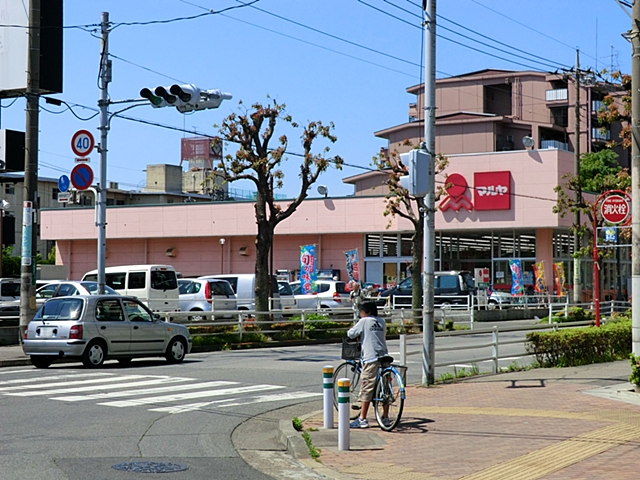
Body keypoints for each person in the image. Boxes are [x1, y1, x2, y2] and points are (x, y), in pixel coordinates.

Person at [347, 301, 388, 429]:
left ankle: (362, 419)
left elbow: (351, 333)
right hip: (385, 356)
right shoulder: (382, 321)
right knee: (385, 387)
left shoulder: (364, 321)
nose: (360, 314)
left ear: (366, 311)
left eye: (361, 312)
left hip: (371, 357)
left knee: (367, 386)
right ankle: (385, 417)